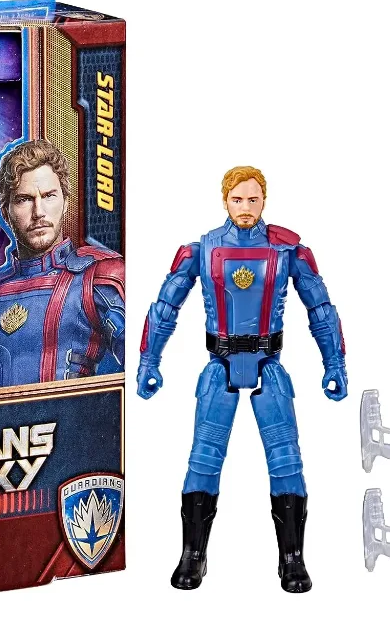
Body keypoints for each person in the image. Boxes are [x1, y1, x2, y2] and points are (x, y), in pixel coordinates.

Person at [137, 165, 348, 593]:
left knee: (286, 460)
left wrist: (335, 364)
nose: (246, 207)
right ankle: (193, 554)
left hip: (270, 364)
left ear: (264, 200)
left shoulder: (287, 250)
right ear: (225, 201)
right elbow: (165, 307)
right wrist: (149, 361)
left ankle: (292, 558)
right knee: (203, 459)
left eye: (253, 199)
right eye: (238, 199)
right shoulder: (202, 249)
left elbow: (321, 309)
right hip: (220, 364)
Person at [0, 139, 124, 391]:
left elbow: (144, 365)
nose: (38, 212)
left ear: (65, 202)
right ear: (5, 212)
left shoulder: (98, 276)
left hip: (73, 417)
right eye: (24, 199)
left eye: (49, 196)